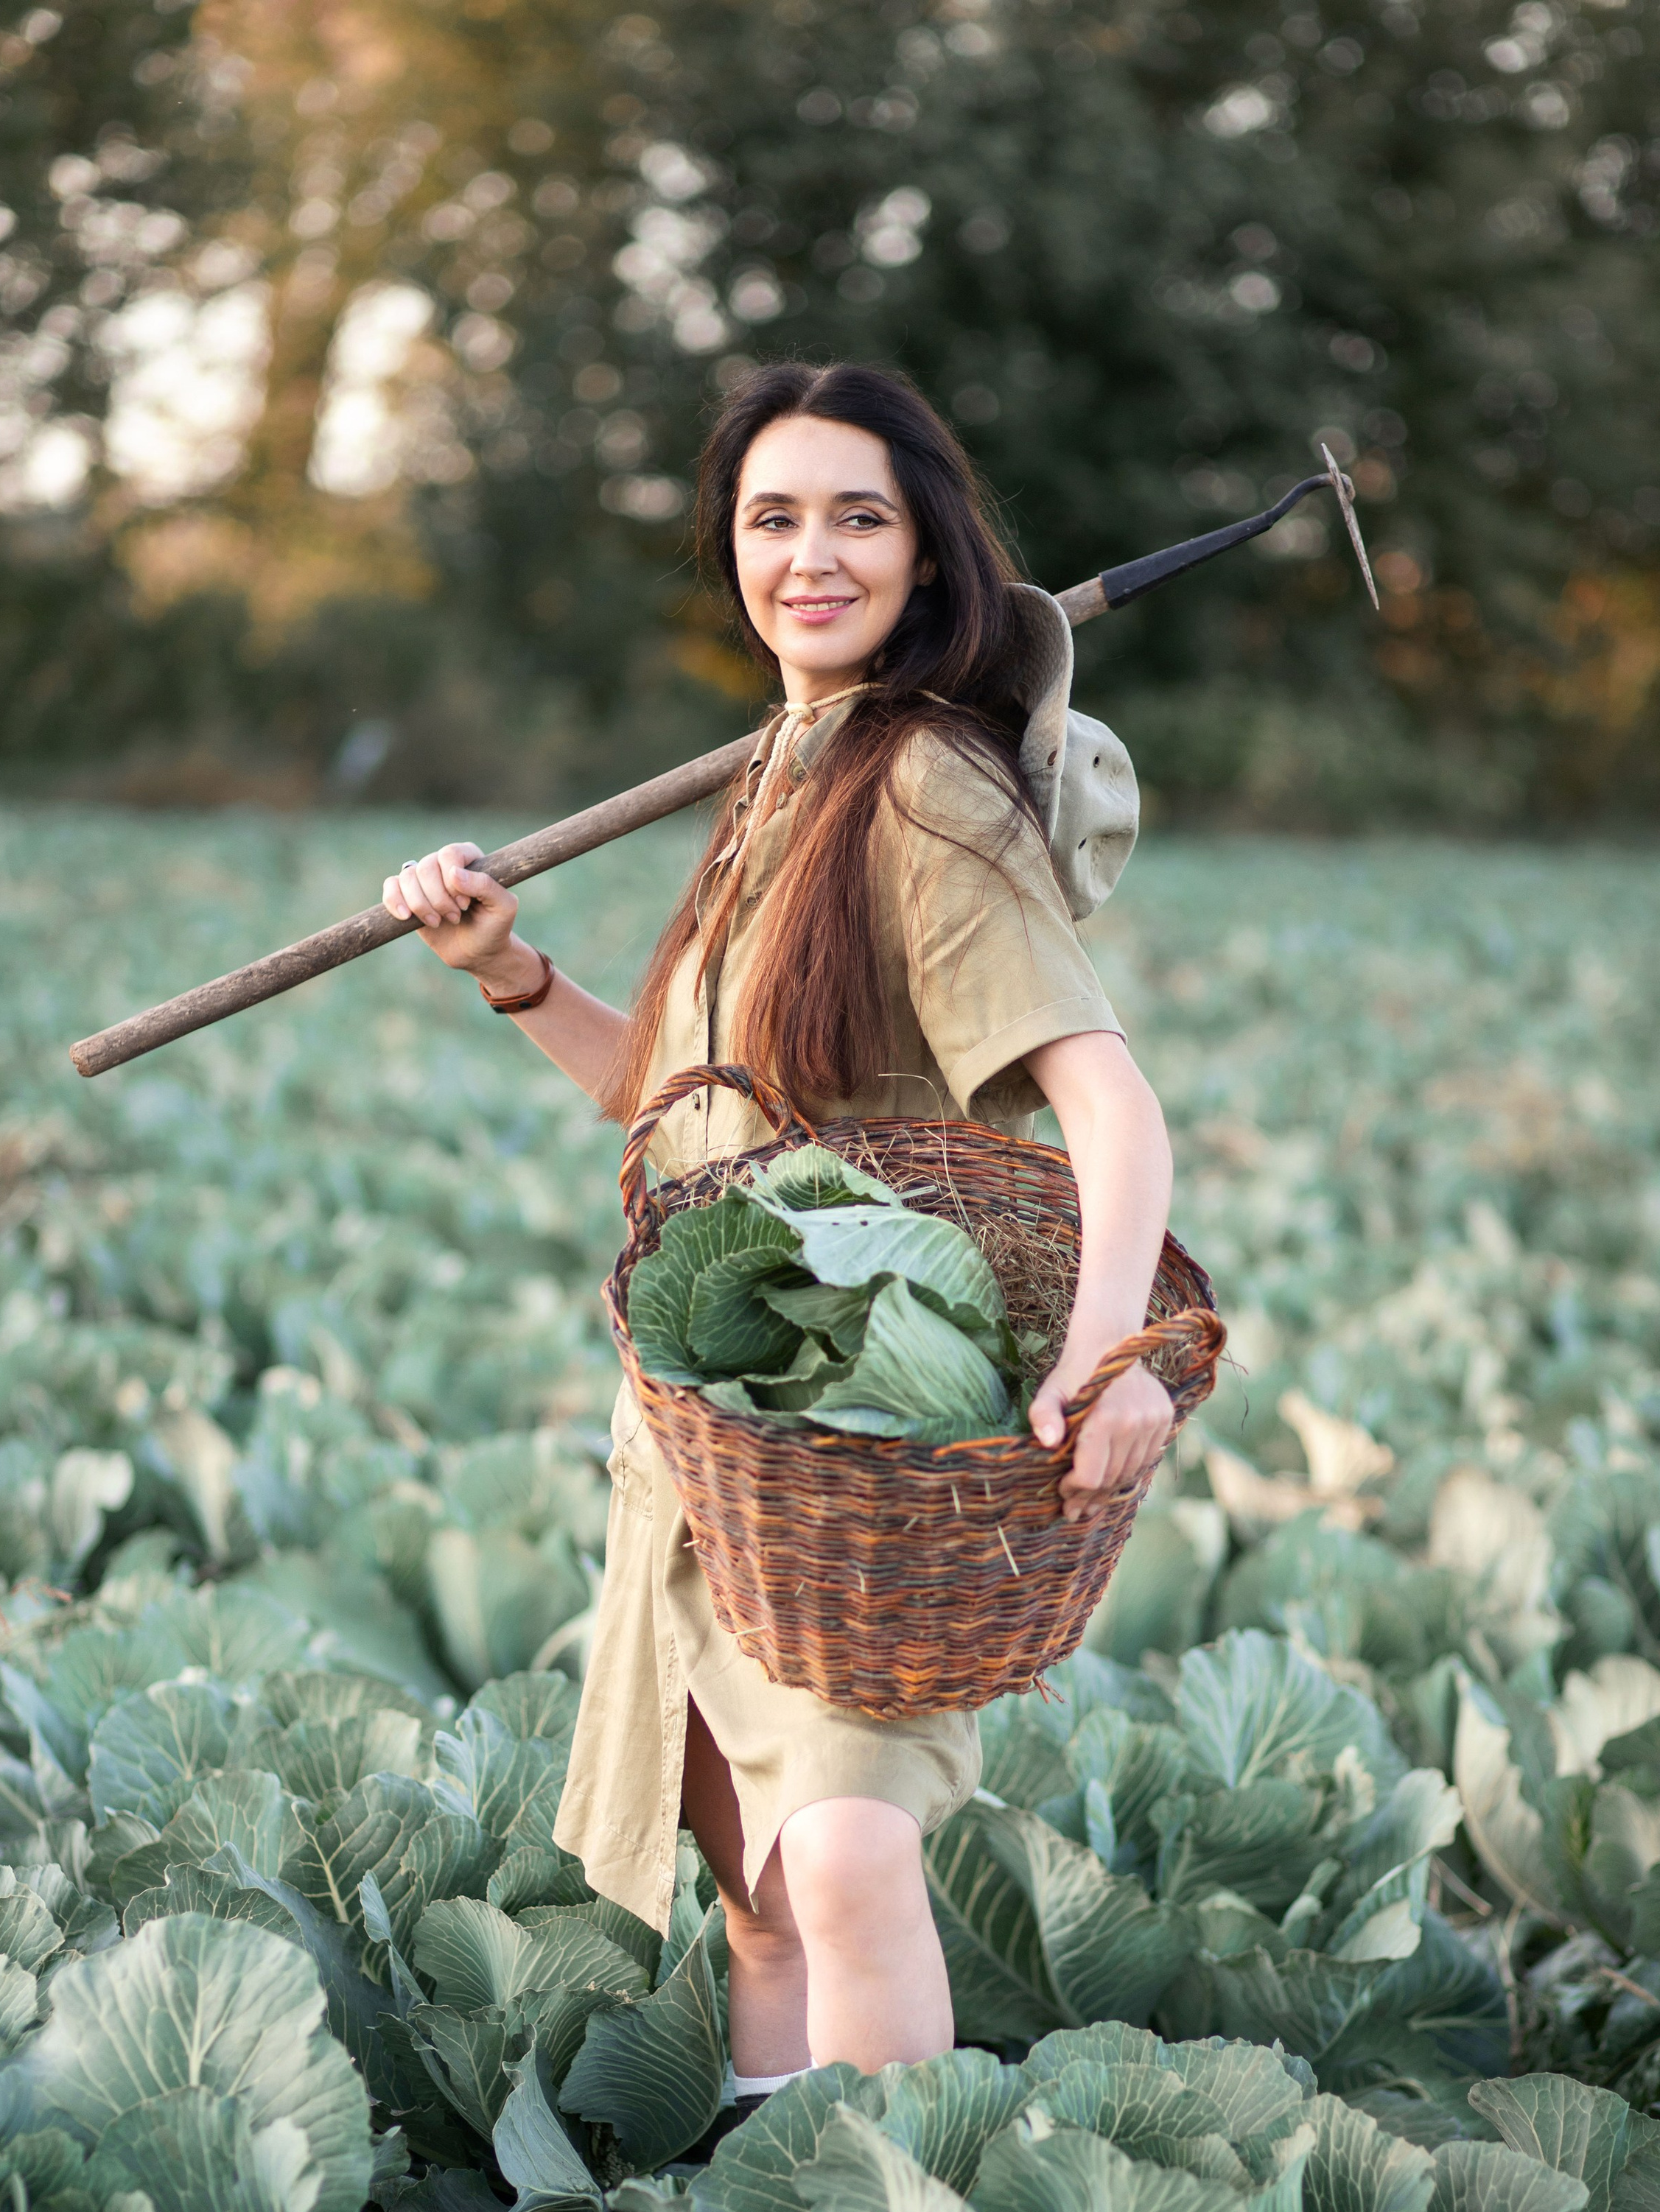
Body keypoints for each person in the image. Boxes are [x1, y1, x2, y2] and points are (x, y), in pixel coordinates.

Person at [384, 360, 1174, 2096]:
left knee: (842, 1854)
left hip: (862, 1415)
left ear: (926, 553)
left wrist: (1109, 1358)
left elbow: (1110, 1103)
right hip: (720, 1421)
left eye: (856, 517)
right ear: (733, 552)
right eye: (771, 519)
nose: (809, 554)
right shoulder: (783, 779)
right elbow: (685, 1106)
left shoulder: (919, 792)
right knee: (752, 1892)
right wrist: (506, 971)